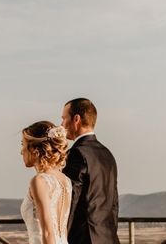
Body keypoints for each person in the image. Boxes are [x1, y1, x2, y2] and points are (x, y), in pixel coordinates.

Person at [61, 98, 120, 244]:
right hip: (108, 238)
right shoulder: (107, 154)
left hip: (83, 239)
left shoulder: (76, 154)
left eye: (63, 118)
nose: (61, 124)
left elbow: (71, 200)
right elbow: (114, 203)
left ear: (76, 119)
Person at [20, 121, 72, 244]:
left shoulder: (39, 181)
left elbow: (48, 232)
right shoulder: (65, 180)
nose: (21, 151)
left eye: (23, 144)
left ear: (34, 149)